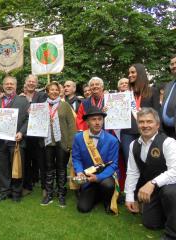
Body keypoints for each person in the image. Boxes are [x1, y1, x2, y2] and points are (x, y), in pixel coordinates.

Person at [124, 108, 176, 240]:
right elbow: (132, 172)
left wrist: (152, 183)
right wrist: (130, 197)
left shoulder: (169, 142)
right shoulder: (133, 145)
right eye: (141, 122)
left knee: (170, 192)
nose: (145, 125)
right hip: (154, 191)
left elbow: (175, 171)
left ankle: (171, 234)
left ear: (157, 125)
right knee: (150, 223)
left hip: (171, 187)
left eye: (149, 121)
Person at [72, 106, 119, 214]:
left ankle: (107, 202)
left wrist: (98, 177)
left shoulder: (112, 140)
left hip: (105, 177)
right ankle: (97, 195)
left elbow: (114, 164)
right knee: (82, 208)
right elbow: (76, 158)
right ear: (87, 122)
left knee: (107, 185)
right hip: (88, 178)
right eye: (94, 119)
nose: (97, 122)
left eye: (100, 119)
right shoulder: (79, 137)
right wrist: (79, 172)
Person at [0, 76, 30, 202]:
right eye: (6, 84)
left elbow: (30, 119)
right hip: (1, 141)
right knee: (3, 168)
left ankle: (16, 192)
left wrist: (22, 133)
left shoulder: (23, 101)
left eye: (11, 84)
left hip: (16, 140)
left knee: (17, 167)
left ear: (15, 86)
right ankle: (4, 191)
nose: (9, 86)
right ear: (3, 85)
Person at [40, 81, 76, 207]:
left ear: (59, 91)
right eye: (51, 90)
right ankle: (49, 194)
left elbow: (71, 125)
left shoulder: (65, 105)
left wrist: (71, 143)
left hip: (62, 142)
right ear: (47, 92)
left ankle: (61, 194)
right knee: (49, 169)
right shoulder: (41, 106)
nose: (54, 92)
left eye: (56, 89)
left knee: (61, 168)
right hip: (47, 142)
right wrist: (31, 113)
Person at [120, 64, 160, 165]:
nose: (129, 75)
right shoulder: (126, 94)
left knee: (149, 162)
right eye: (129, 73)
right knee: (130, 162)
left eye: (133, 72)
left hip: (147, 131)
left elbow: (157, 114)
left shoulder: (153, 91)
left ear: (141, 73)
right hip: (127, 132)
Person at [23, 74, 48, 196]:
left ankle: (44, 187)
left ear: (37, 84)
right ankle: (27, 186)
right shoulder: (20, 97)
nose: (31, 83)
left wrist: (31, 106)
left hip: (38, 135)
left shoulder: (42, 96)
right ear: (26, 83)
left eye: (33, 82)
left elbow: (44, 110)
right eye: (29, 81)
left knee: (41, 162)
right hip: (25, 135)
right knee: (26, 162)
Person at [161, 55, 176, 138]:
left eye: (175, 63)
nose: (174, 66)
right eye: (172, 64)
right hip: (167, 132)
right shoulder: (169, 85)